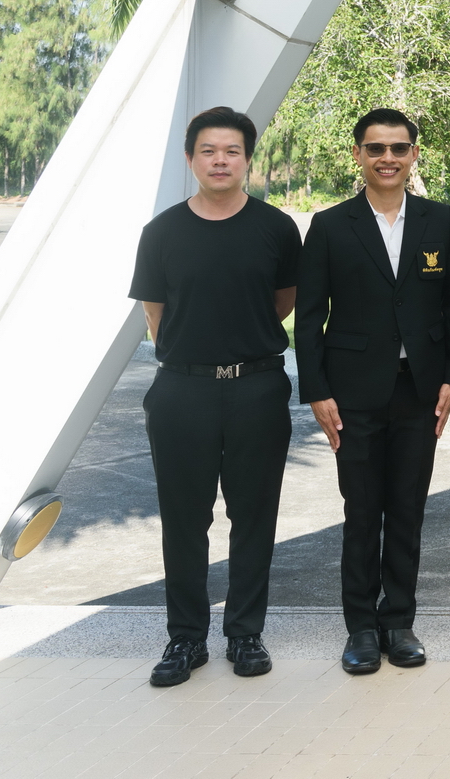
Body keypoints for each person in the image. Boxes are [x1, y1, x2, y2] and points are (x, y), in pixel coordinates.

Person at [129, 107, 302, 688]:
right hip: (183, 390)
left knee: (254, 515)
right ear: (190, 159)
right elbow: (157, 314)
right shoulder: (161, 232)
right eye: (208, 151)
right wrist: (196, 358)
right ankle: (185, 638)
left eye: (231, 151)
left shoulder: (277, 229)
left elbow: (281, 300)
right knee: (184, 520)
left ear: (247, 159)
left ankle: (245, 633)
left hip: (257, 386)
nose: (220, 160)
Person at [296, 108, 450, 675]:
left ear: (414, 153)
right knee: (363, 510)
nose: (387, 158)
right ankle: (362, 628)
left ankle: (399, 622)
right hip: (352, 395)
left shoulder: (439, 220)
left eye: (398, 148)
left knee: (409, 509)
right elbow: (309, 317)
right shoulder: (329, 225)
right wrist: (317, 390)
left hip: (420, 391)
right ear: (358, 155)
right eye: (375, 148)